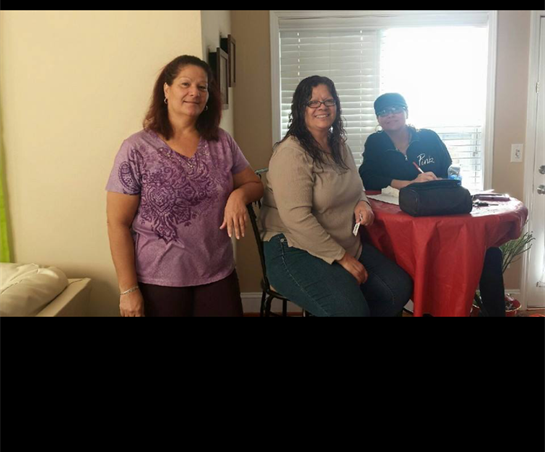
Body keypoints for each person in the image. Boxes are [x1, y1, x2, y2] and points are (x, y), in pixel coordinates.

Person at [106, 54, 263, 317]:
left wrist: (239, 195)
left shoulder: (221, 142)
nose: (195, 93)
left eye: (202, 87)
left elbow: (255, 185)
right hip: (159, 281)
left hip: (217, 276)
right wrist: (128, 289)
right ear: (166, 90)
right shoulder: (136, 149)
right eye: (185, 84)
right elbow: (117, 223)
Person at [259, 76, 413, 317]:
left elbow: (357, 184)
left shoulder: (338, 144)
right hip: (292, 247)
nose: (322, 107)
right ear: (301, 109)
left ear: (337, 106)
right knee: (350, 310)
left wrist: (362, 202)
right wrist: (342, 258)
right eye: (313, 102)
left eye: (328, 100)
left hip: (341, 240)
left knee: (397, 288)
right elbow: (297, 219)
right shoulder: (291, 152)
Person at [359, 92, 506, 317]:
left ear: (406, 112)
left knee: (490, 254)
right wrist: (408, 183)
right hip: (403, 221)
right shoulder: (376, 142)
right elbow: (367, 176)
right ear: (378, 119)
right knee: (406, 265)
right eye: (383, 113)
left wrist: (439, 181)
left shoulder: (428, 137)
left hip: (441, 214)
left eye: (396, 109)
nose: (390, 116)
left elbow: (449, 170)